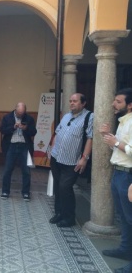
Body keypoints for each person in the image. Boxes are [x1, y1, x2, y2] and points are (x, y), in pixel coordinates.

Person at [100, 88, 132, 273]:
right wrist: (110, 137)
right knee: (124, 218)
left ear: (129, 105)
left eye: (118, 101)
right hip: (119, 173)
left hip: (128, 175)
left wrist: (115, 143)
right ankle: (125, 249)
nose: (113, 104)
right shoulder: (123, 121)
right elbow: (120, 148)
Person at [49, 93, 93, 228]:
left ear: (83, 103)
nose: (72, 103)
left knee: (65, 187)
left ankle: (69, 218)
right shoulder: (66, 116)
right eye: (70, 101)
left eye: (75, 101)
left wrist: (84, 158)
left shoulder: (89, 117)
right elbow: (57, 133)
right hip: (57, 158)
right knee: (57, 186)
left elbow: (90, 139)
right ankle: (59, 213)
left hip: (72, 161)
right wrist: (51, 150)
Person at [0, 102, 37, 201]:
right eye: (19, 113)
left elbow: (34, 132)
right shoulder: (7, 117)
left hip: (24, 147)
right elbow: (2, 130)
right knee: (8, 170)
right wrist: (13, 127)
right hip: (11, 146)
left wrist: (26, 128)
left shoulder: (29, 118)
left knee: (26, 171)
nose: (21, 115)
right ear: (15, 110)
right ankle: (5, 191)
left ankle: (25, 193)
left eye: (22, 113)